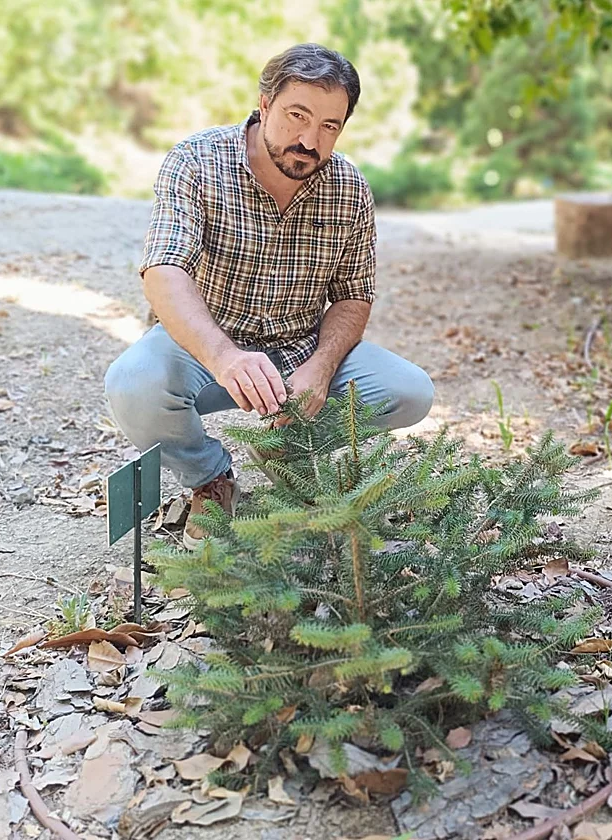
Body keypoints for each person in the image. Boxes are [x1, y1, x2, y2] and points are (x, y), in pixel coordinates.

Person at [104, 43, 434, 548]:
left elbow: (353, 296)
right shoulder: (196, 161)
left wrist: (321, 368)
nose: (309, 140)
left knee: (410, 392)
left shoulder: (349, 188)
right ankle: (211, 479)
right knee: (132, 384)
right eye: (297, 116)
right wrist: (224, 357)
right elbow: (163, 269)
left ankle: (285, 446)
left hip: (299, 350)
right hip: (206, 347)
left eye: (329, 125)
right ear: (264, 105)